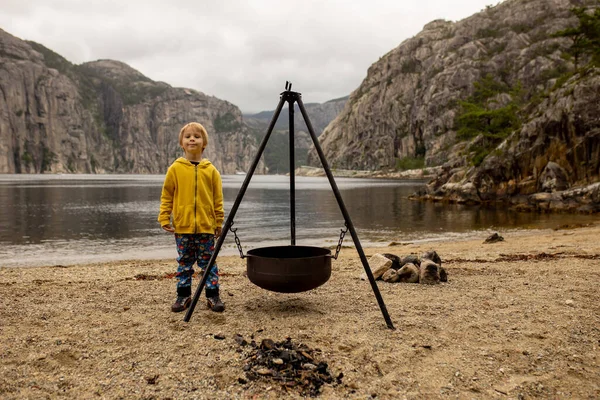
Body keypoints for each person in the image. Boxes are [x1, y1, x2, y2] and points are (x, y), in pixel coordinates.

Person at [158, 122, 225, 313]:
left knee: (208, 263)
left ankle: (213, 296)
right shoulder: (175, 169)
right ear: (182, 143)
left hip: (206, 227)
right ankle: (183, 295)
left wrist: (218, 222)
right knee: (184, 263)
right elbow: (167, 195)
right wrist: (164, 217)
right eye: (188, 136)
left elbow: (217, 199)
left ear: (204, 143)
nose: (192, 139)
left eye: (197, 136)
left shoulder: (211, 171)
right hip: (183, 227)